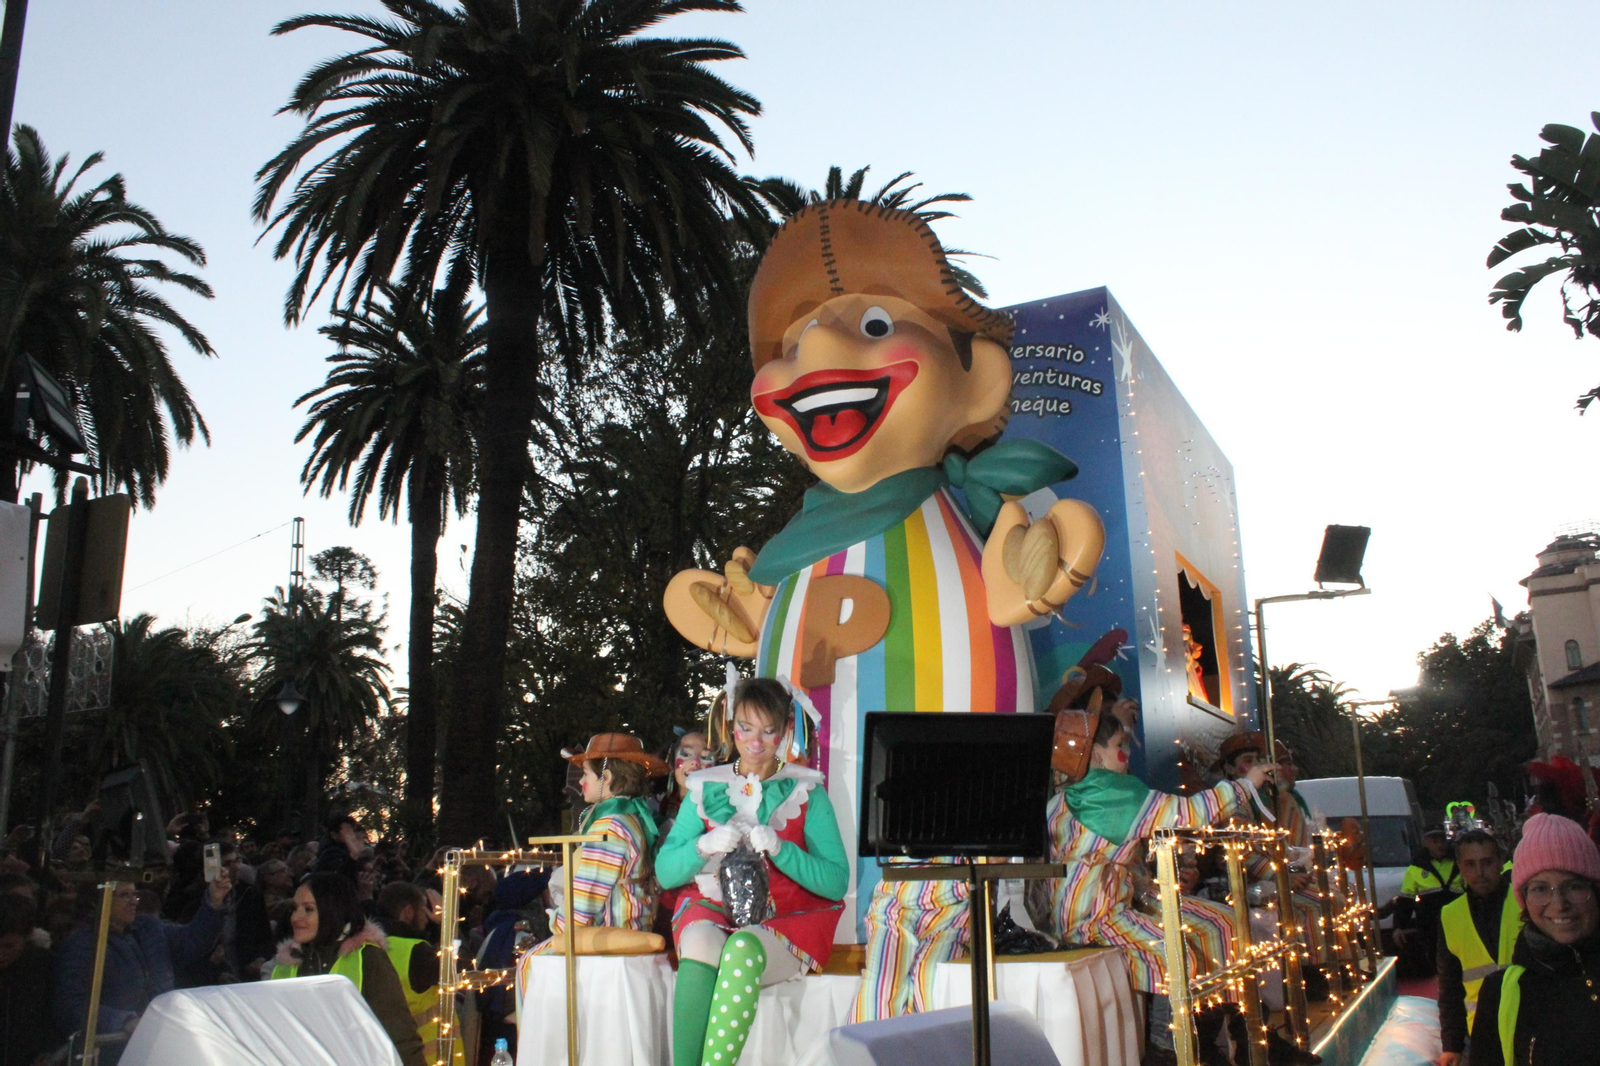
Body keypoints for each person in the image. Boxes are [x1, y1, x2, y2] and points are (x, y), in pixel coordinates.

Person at [1045, 712, 1295, 1066]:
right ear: (1096, 755)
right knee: (1178, 954)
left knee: (1222, 924)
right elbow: (1190, 813)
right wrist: (1245, 785)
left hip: (1105, 904)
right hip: (1093, 918)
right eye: (1119, 745)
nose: (1127, 754)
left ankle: (1226, 1040)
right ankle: (1168, 1051)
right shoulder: (1108, 794)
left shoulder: (1078, 794)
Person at [657, 677, 849, 1066]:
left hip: (786, 921)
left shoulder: (806, 791)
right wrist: (702, 846)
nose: (755, 742)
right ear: (732, 728)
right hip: (714, 911)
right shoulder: (706, 787)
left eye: (768, 730)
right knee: (699, 942)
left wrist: (782, 851)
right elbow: (665, 873)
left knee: (741, 948)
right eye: (746, 728)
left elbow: (836, 882)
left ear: (785, 730)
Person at [53, 870, 231, 1059]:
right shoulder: (82, 945)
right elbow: (71, 1005)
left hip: (159, 1043)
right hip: (116, 1052)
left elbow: (193, 940)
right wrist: (124, 1021)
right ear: (99, 901)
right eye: (124, 895)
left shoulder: (148, 927)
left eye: (134, 894)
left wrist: (214, 902)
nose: (133, 901)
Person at [1468, 813, 1600, 1065]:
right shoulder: (1502, 994)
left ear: (1595, 891)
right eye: (1540, 888)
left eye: (1574, 886)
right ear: (1524, 899)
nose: (1559, 904)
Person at [530, 733, 668, 952]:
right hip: (634, 928)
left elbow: (587, 895)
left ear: (607, 777)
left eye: (585, 774)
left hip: (611, 936)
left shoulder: (609, 826)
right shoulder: (632, 818)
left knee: (534, 959)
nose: (581, 782)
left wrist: (558, 922)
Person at [270, 872, 425, 1066]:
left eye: (308, 909)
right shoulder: (283, 967)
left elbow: (400, 1034)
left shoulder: (367, 958)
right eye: (294, 908)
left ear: (333, 910)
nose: (296, 917)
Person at [1438, 830, 1521, 1066]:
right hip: (1483, 1033)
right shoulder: (1450, 915)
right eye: (1470, 864)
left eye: (1487, 862)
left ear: (1500, 861)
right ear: (1460, 867)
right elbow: (1450, 987)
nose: (1479, 872)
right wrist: (1452, 1045)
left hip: (1527, 1021)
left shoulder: (1525, 903)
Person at [377, 881, 461, 1066]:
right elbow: (461, 967)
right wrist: (447, 923)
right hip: (428, 1058)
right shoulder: (416, 951)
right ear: (408, 912)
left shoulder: (366, 948)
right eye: (424, 909)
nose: (427, 918)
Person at [1398, 828, 1462, 975]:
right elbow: (1406, 900)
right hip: (1430, 926)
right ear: (1426, 843)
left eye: (1442, 840)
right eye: (1434, 841)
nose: (1439, 845)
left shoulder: (1459, 862)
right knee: (1436, 963)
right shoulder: (1416, 868)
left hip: (1458, 922)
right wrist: (1399, 927)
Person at [0, 894, 53, 1066]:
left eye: (8, 946)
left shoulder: (43, 967)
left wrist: (45, 1052)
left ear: (28, 936)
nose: (1, 954)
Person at [312, 814, 368, 885]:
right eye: (346, 831)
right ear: (334, 835)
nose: (351, 835)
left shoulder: (344, 849)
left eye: (351, 830)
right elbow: (341, 877)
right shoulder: (330, 854)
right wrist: (353, 856)